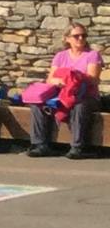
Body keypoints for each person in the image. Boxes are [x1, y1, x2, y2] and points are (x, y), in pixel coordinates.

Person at [28, 20, 101, 159]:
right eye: (76, 36)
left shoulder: (92, 55)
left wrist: (75, 78)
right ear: (67, 39)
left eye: (84, 35)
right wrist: (59, 81)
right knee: (37, 105)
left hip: (86, 95)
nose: (81, 38)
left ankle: (77, 147)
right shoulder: (60, 56)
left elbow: (93, 79)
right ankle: (40, 145)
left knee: (79, 106)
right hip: (62, 94)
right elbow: (50, 79)